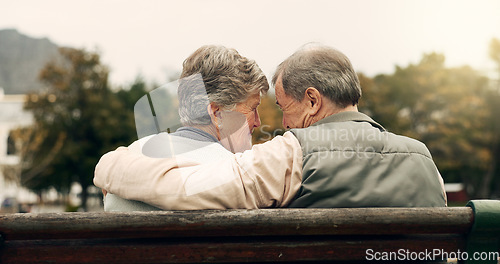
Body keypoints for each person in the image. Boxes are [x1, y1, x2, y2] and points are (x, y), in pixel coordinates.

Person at [94, 43, 446, 209]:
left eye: (282, 107)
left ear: (312, 101)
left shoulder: (291, 155)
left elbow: (182, 190)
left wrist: (110, 164)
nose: (279, 123)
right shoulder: (424, 160)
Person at [102, 45, 273, 211]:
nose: (258, 121)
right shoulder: (237, 176)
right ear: (216, 113)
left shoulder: (127, 158)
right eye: (252, 108)